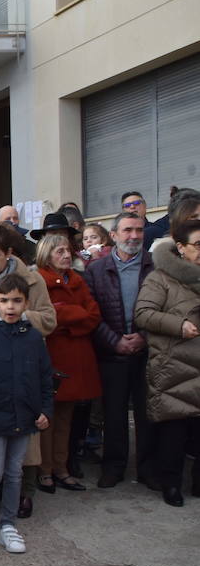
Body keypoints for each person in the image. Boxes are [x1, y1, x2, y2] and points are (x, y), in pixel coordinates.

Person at [0, 273, 54, 553]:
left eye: (17, 301)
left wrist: (45, 410)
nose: (10, 306)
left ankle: (8, 526)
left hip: (24, 419)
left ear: (26, 303)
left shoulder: (34, 337)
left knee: (15, 473)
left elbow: (45, 377)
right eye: (4, 300)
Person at [84, 210, 156, 488]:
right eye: (127, 230)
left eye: (139, 230)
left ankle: (148, 469)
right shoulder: (96, 270)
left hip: (147, 353)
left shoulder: (155, 267)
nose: (134, 236)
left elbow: (165, 309)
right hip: (112, 353)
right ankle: (113, 467)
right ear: (113, 236)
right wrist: (114, 341)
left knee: (147, 414)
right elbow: (92, 315)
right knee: (113, 415)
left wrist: (143, 337)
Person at [133, 218, 200, 506]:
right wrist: (178, 325)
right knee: (174, 430)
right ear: (181, 248)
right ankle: (170, 485)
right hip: (174, 365)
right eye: (198, 245)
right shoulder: (160, 278)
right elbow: (143, 314)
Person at [33, 234, 101, 493]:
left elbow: (93, 316)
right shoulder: (39, 280)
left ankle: (61, 468)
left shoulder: (76, 279)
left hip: (76, 357)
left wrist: (66, 320)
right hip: (52, 356)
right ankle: (45, 470)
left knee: (65, 419)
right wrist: (73, 315)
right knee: (47, 418)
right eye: (59, 251)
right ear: (46, 254)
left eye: (67, 250)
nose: (65, 255)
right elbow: (46, 318)